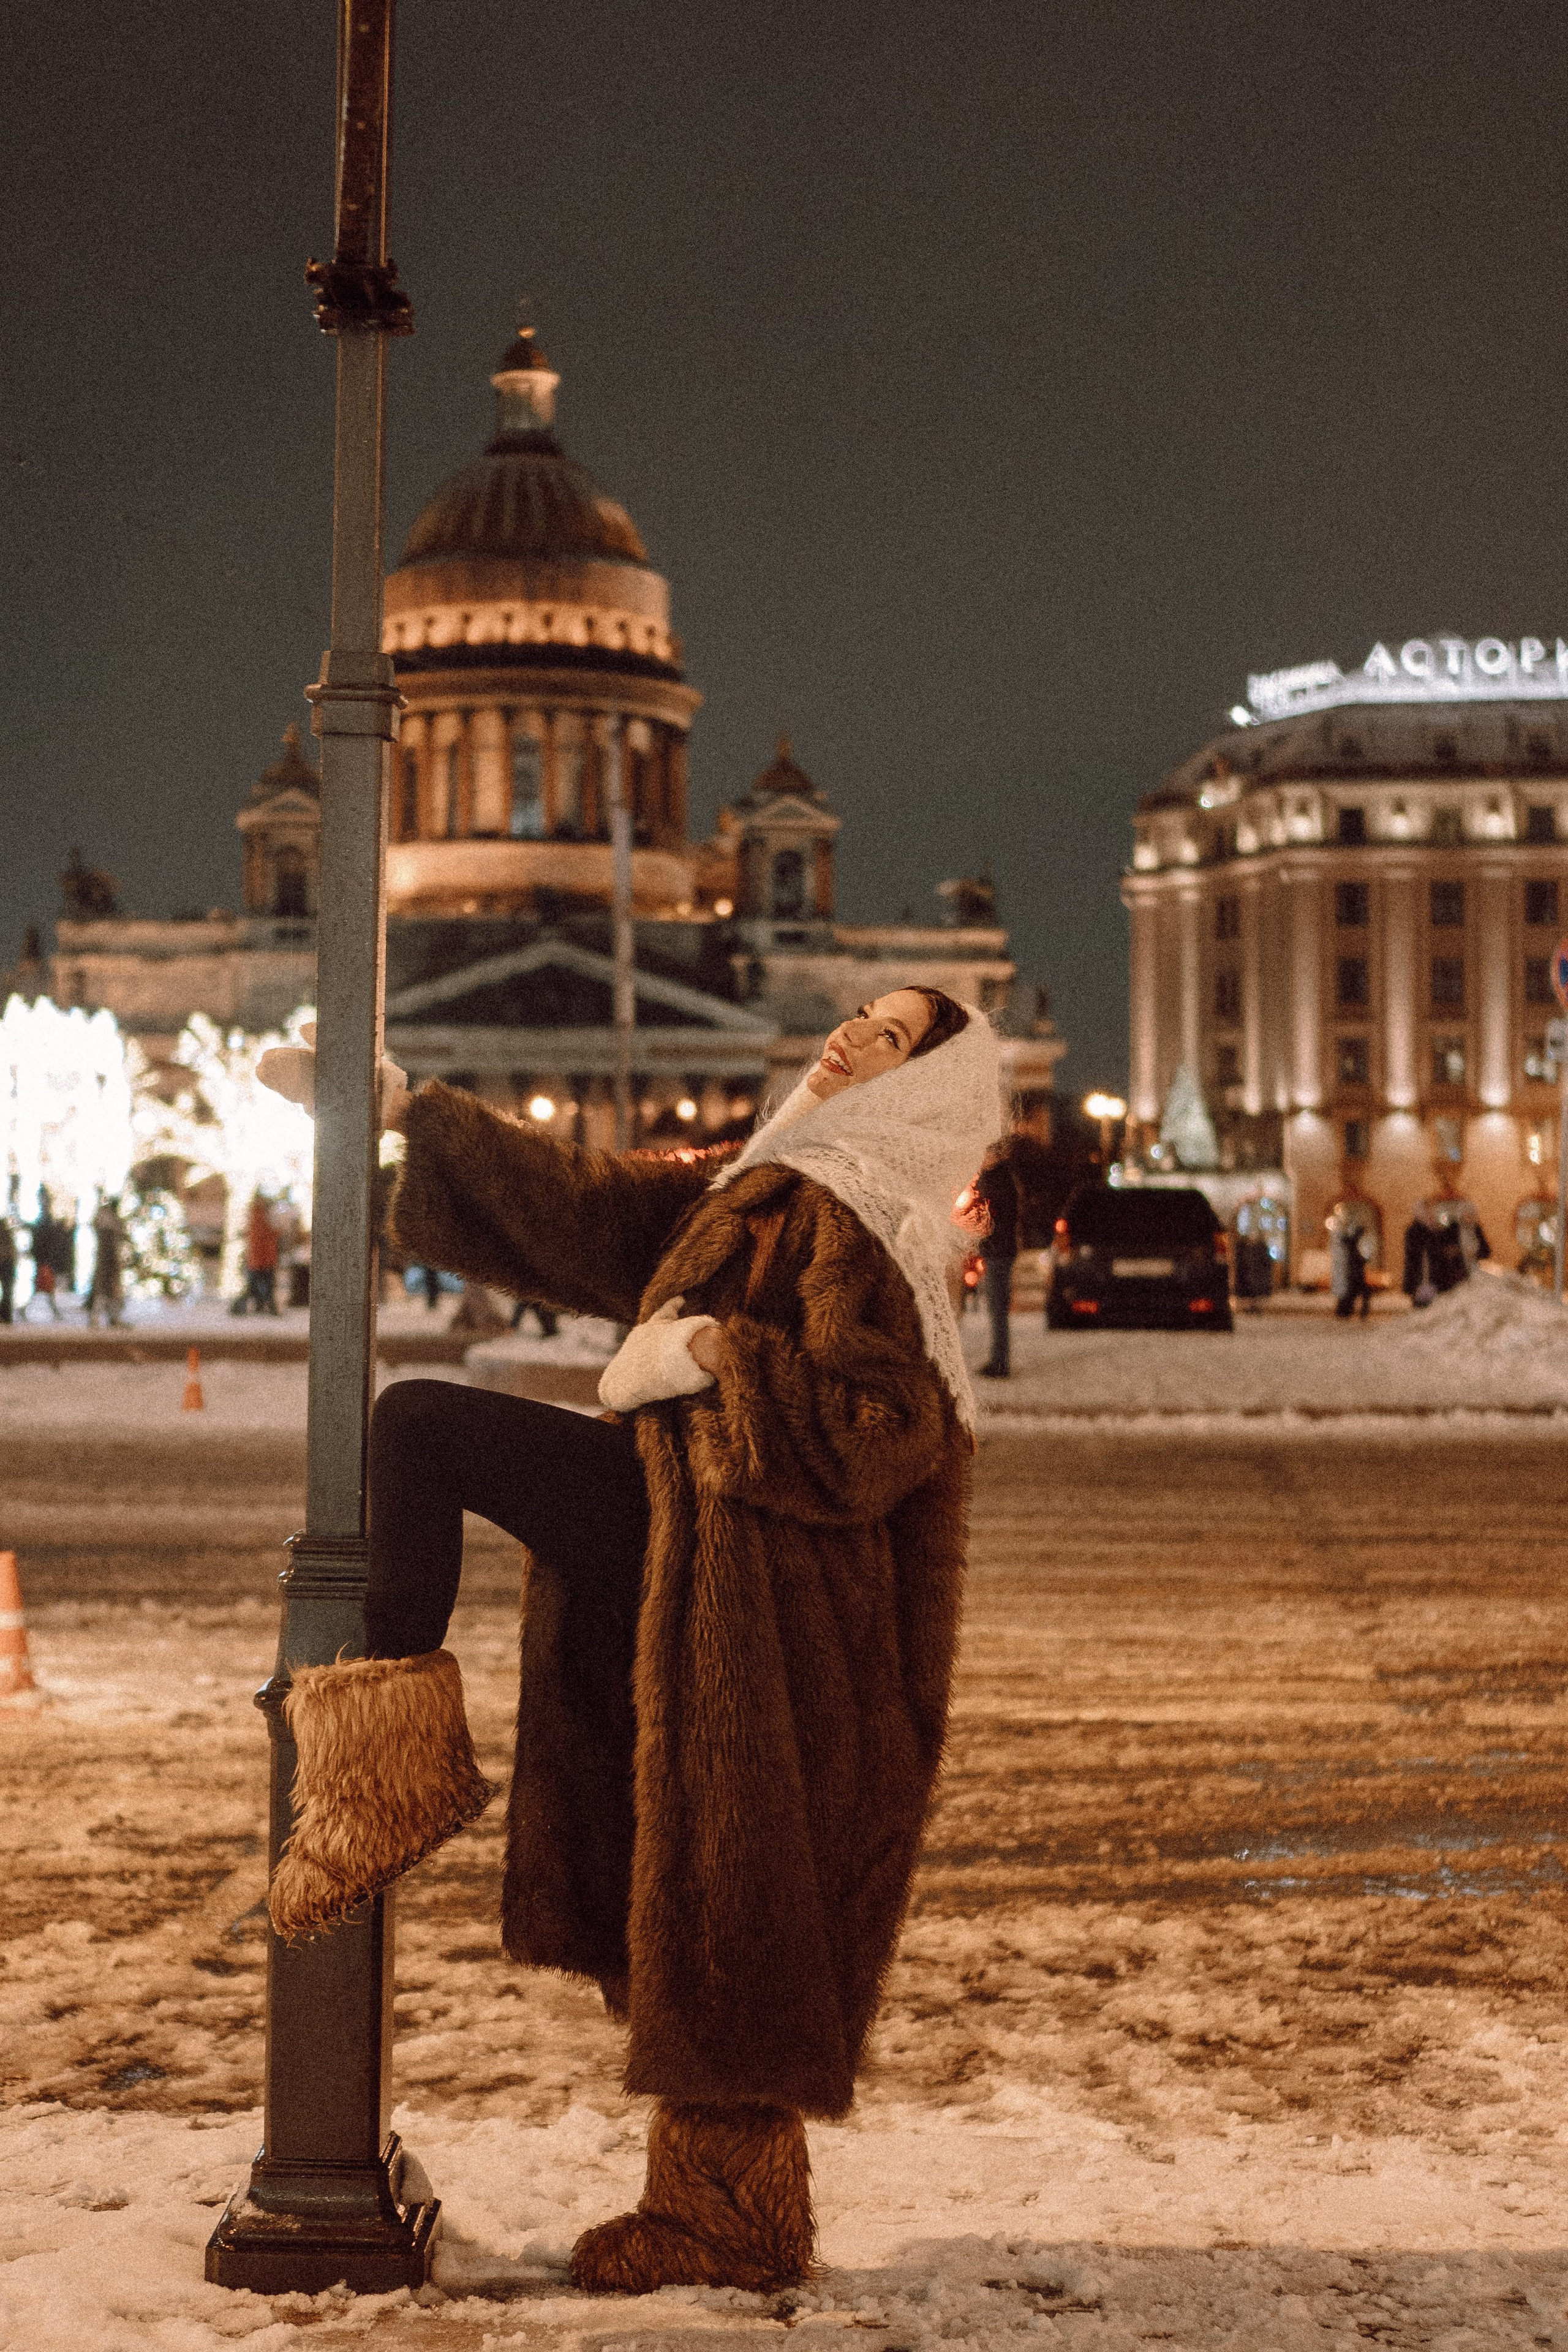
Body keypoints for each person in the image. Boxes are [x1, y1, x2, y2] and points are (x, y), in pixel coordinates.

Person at [257, 987, 1000, 2294]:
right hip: (707, 1556)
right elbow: (586, 1210)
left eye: (885, 1040)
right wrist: (400, 1114)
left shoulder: (862, 1214)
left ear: (922, 1085)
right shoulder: (780, 1178)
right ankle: (727, 2216)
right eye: (854, 1017)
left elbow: (882, 1431)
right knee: (701, 1906)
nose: (847, 1039)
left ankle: (381, 1767)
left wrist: (713, 1354)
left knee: (425, 1428)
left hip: (766, 1596)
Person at [972, 1139, 1019, 1377]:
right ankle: (998, 1359)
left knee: (997, 1308)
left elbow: (992, 1217)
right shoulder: (999, 1179)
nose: (983, 1158)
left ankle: (999, 1362)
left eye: (987, 1153)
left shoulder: (998, 1181)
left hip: (999, 1251)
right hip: (998, 1250)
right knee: (996, 1308)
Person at [231, 1193, 281, 1315]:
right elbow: (271, 1235)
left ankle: (260, 1307)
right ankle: (268, 1308)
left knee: (255, 1287)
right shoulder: (263, 1216)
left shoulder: (253, 1216)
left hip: (257, 1260)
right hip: (264, 1260)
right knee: (263, 1287)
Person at [88, 1196, 127, 1328]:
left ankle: (108, 1319)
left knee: (106, 1294)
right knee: (106, 1293)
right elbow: (112, 1246)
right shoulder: (110, 1227)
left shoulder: (105, 1224)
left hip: (106, 1263)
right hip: (108, 1263)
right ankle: (103, 1319)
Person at [0, 1212, 15, 1326]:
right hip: (8, 1265)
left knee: (7, 1292)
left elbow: (10, 1252)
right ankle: (6, 1316)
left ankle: (6, 1315)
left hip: (7, 1265)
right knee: (7, 1292)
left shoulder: (7, 1236)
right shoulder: (8, 1235)